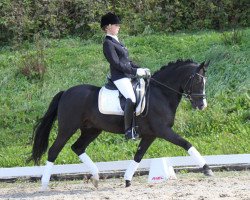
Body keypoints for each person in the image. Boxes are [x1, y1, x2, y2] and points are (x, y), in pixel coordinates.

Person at [100, 12, 150, 140]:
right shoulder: (108, 43)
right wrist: (134, 72)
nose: (118, 27)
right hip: (119, 77)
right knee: (131, 98)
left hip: (127, 75)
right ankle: (128, 130)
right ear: (108, 26)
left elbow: (127, 61)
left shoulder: (118, 42)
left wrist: (140, 69)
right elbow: (116, 63)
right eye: (116, 25)